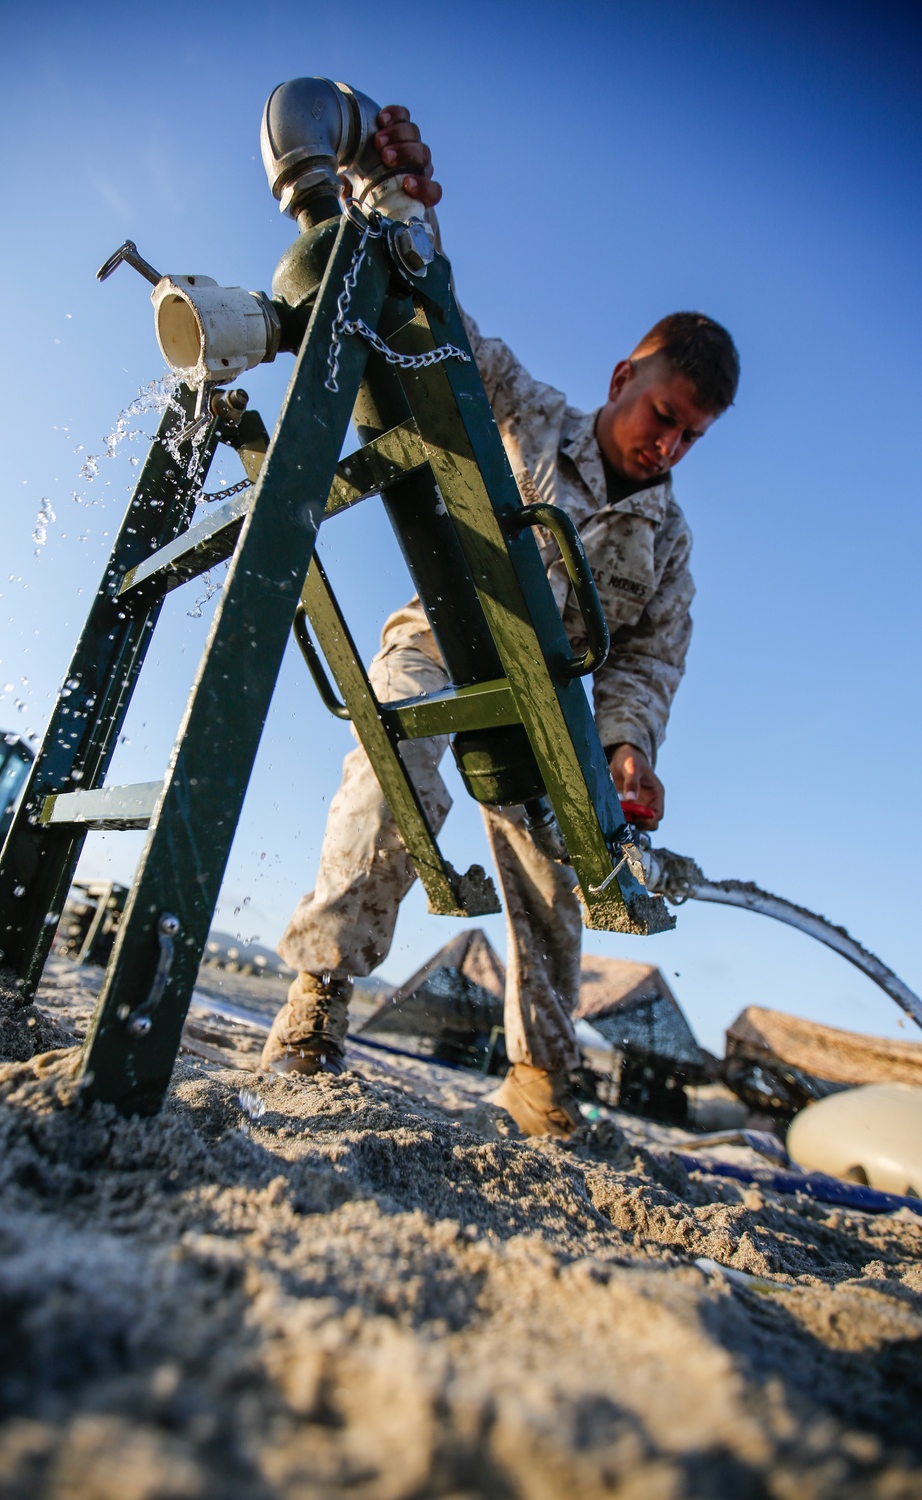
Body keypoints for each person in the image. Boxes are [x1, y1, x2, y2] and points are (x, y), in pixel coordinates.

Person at [262, 107, 740, 1137]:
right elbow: (437, 325)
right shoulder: (522, 409)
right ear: (625, 380)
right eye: (663, 415)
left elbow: (647, 667)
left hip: (550, 708)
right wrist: (392, 203)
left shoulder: (669, 546)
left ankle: (542, 1083)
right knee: (392, 746)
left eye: (692, 437)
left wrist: (624, 751)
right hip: (443, 642)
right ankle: (318, 1001)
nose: (669, 446)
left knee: (557, 881)